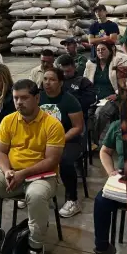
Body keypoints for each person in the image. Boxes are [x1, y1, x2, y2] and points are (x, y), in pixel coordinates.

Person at [0, 79, 65, 254]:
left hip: (42, 177)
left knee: (36, 195)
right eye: (16, 98)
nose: (19, 102)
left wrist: (23, 174)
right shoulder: (8, 121)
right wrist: (7, 171)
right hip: (13, 174)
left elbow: (52, 160)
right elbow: (0, 152)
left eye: (24, 98)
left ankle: (35, 249)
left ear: (37, 98)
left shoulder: (52, 125)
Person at [40, 68, 85, 218]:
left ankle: (73, 200)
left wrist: (58, 140)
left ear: (60, 82)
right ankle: (30, 190)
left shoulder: (69, 100)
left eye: (52, 79)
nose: (47, 83)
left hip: (68, 140)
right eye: (45, 79)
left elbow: (78, 127)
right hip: (43, 140)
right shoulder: (38, 97)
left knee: (64, 160)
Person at [93, 120, 125, 254]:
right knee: (101, 202)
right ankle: (102, 250)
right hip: (125, 179)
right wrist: (111, 172)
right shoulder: (118, 125)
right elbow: (105, 151)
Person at [83, 42, 127, 145]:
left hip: (111, 98)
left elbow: (126, 83)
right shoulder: (91, 64)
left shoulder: (117, 63)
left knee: (100, 113)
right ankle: (87, 143)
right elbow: (85, 82)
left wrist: (117, 95)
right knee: (84, 113)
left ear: (110, 50)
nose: (100, 52)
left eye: (103, 49)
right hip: (93, 98)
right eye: (98, 50)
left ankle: (95, 142)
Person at [55, 54, 96, 122]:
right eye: (62, 71)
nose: (65, 74)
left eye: (68, 71)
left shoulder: (83, 81)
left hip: (76, 115)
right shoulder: (55, 81)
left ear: (74, 68)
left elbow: (90, 100)